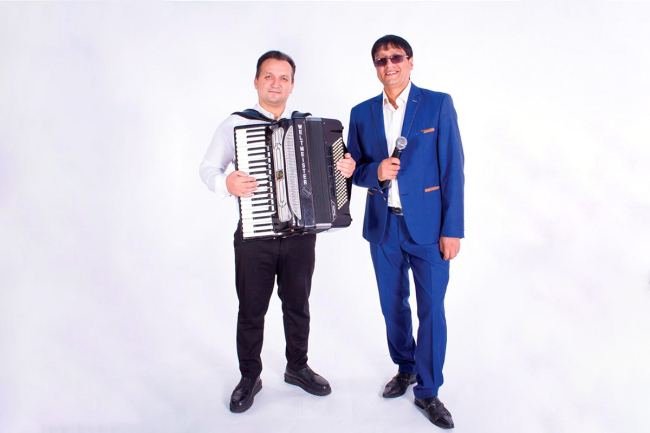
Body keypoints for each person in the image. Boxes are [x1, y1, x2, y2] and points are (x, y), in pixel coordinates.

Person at [199, 50, 356, 413]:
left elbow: (336, 171)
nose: (275, 83)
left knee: (298, 306)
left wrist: (345, 168)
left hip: (300, 237)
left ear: (292, 85)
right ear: (257, 82)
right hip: (255, 237)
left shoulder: (309, 125)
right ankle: (250, 376)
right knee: (251, 310)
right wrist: (226, 183)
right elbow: (208, 167)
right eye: (268, 76)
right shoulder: (236, 123)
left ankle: (297, 367)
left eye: (283, 78)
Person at [346, 35, 464, 429]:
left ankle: (428, 391)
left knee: (432, 310)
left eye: (396, 57)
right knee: (391, 305)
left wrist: (452, 229)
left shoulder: (437, 104)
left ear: (410, 62)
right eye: (381, 60)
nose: (389, 65)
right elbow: (351, 171)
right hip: (383, 228)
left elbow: (453, 169)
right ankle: (406, 367)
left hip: (430, 229)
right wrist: (375, 171)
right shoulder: (361, 113)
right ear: (375, 67)